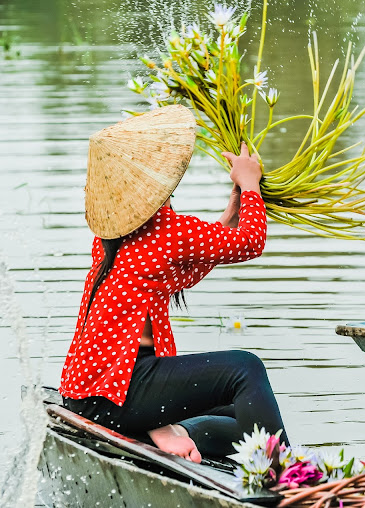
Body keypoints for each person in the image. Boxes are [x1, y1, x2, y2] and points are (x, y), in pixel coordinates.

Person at [58, 105, 288, 463]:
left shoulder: (111, 237)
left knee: (236, 409)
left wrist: (231, 215)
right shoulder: (169, 231)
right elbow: (251, 242)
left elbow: (180, 269)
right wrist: (250, 185)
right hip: (120, 391)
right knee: (247, 370)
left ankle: (175, 431)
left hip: (86, 391)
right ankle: (291, 478)